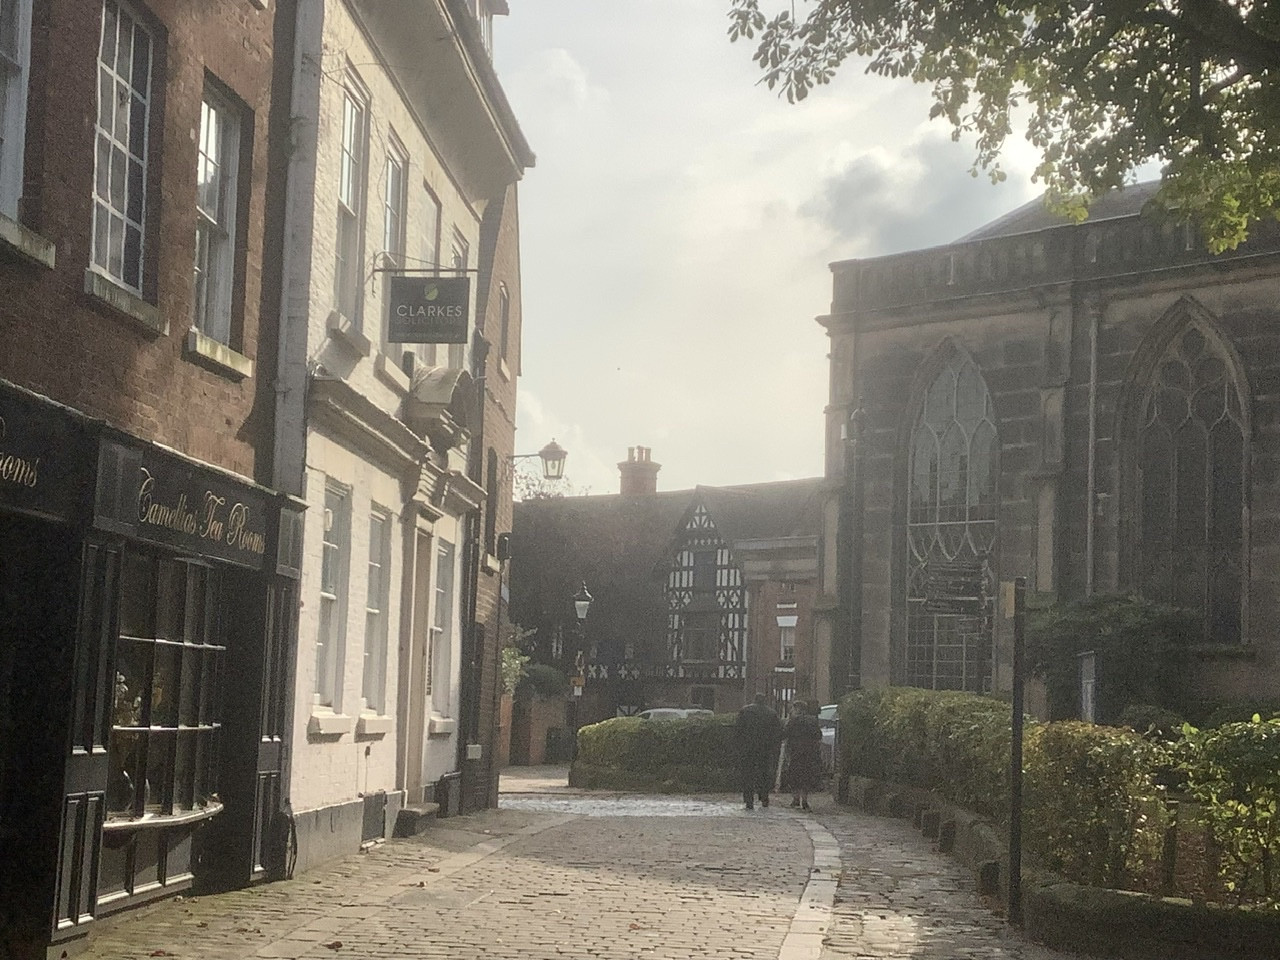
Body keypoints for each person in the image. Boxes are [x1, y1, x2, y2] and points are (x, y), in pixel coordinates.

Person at [735, 692, 782, 810]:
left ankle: (749, 799)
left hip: (748, 748)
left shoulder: (745, 711)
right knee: (764, 773)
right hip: (765, 748)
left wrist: (740, 745)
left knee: (748, 773)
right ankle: (764, 797)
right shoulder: (771, 713)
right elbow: (777, 733)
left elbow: (738, 730)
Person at [781, 699, 823, 811]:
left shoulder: (793, 721)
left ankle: (796, 799)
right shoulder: (813, 720)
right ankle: (805, 800)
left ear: (797, 709)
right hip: (810, 752)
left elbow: (784, 734)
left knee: (795, 774)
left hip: (795, 752)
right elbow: (819, 735)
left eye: (793, 708)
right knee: (806, 775)